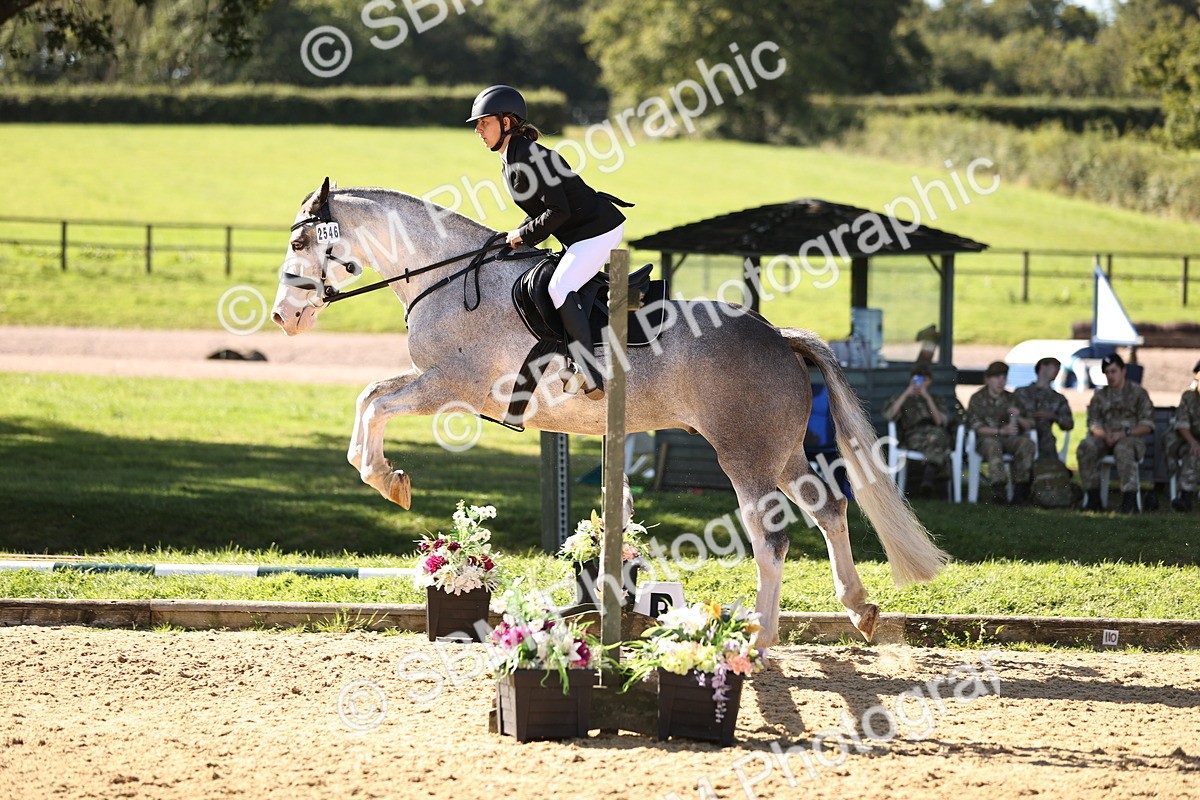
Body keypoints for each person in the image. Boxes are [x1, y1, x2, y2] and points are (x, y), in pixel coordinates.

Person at [467, 84, 631, 400]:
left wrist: (524, 235)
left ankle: (587, 369)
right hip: (580, 234)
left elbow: (559, 210)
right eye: (478, 124)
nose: (478, 129)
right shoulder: (511, 157)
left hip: (599, 230)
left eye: (484, 122)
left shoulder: (528, 155)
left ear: (506, 122)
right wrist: (512, 236)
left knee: (560, 287)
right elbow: (543, 211)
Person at [1076, 353, 1154, 513]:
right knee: (1086, 447)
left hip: (1130, 440)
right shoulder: (1100, 396)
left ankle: (1129, 501)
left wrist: (1123, 434)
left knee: (1123, 449)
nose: (1110, 376)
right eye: (1107, 373)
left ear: (1123, 371)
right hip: (1104, 438)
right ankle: (1093, 498)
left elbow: (1147, 425)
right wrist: (1105, 435)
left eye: (1113, 371)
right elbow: (1093, 423)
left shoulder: (1138, 393)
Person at [883, 364, 961, 496]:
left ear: (929, 381)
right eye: (917, 378)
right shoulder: (902, 398)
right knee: (940, 443)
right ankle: (930, 475)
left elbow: (939, 421)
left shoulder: (936, 399)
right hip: (914, 435)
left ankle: (929, 476)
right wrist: (907, 393)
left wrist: (927, 398)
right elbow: (889, 415)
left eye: (924, 379)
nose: (920, 383)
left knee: (937, 436)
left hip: (935, 432)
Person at [967, 361, 1036, 505]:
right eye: (996, 377)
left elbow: (1030, 424)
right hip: (987, 438)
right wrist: (1000, 431)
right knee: (993, 445)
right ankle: (999, 490)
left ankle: (1020, 490)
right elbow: (976, 426)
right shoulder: (978, 399)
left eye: (1004, 377)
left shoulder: (1012, 398)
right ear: (987, 379)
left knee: (1026, 444)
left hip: (1010, 439)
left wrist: (1018, 417)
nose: (1001, 381)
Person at [1014, 356, 1075, 461]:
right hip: (1020, 436)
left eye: (1058, 368)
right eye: (1054, 367)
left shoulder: (1058, 398)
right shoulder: (1021, 393)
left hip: (1045, 441)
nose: (1057, 370)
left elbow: (1069, 424)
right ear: (1043, 367)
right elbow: (1009, 413)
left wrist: (1053, 417)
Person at [1166, 358, 1200, 512]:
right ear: (1196, 376)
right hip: (1188, 441)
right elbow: (1182, 425)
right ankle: (1185, 498)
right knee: (1193, 453)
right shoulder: (1189, 396)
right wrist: (1193, 442)